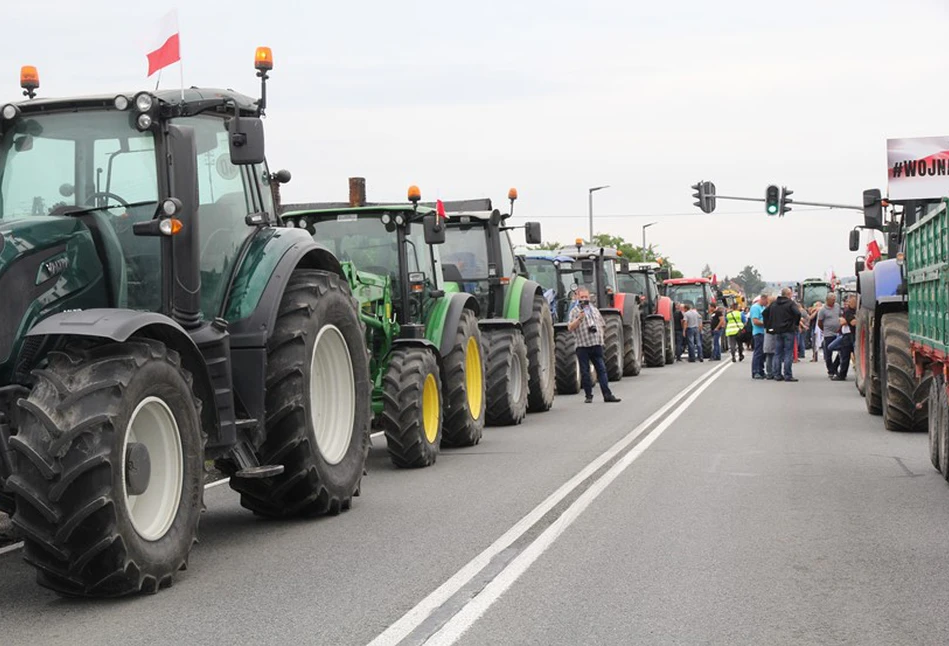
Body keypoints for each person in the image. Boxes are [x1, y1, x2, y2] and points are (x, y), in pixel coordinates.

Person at [567, 287, 621, 403]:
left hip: (596, 344)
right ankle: (588, 396)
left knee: (602, 370)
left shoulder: (595, 310)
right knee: (585, 372)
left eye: (586, 297)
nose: (584, 299)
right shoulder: (574, 311)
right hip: (582, 345)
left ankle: (607, 395)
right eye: (582, 297)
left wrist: (601, 336)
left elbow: (602, 324)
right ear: (577, 297)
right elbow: (570, 328)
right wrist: (579, 319)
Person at [768, 287, 803, 382]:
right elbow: (798, 313)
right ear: (788, 294)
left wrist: (772, 325)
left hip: (778, 331)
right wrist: (795, 323)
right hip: (788, 330)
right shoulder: (790, 303)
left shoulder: (774, 304)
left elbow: (768, 314)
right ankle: (788, 374)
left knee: (777, 353)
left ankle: (777, 374)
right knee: (788, 352)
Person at [828, 295, 857, 381]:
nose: (849, 303)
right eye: (850, 301)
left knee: (847, 355)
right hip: (847, 336)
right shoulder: (848, 312)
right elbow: (852, 322)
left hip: (853, 335)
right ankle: (841, 374)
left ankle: (836, 370)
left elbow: (848, 321)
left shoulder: (857, 311)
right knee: (844, 355)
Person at [816, 294, 841, 379]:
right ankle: (830, 370)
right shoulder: (823, 310)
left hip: (837, 333)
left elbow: (840, 316)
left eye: (834, 300)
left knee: (842, 351)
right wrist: (825, 330)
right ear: (827, 300)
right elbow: (820, 322)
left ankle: (834, 367)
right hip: (828, 334)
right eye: (832, 300)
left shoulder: (837, 306)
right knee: (828, 353)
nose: (834, 301)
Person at [750, 293, 768, 379]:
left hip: (764, 332)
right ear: (763, 299)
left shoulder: (763, 307)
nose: (767, 303)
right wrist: (766, 323)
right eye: (766, 301)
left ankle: (761, 370)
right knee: (758, 353)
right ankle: (755, 371)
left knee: (763, 353)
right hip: (758, 333)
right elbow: (755, 321)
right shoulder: (755, 308)